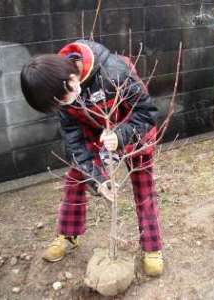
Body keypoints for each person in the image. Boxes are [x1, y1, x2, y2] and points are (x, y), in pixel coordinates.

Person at [20, 39, 163, 276]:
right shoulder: (62, 96)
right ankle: (68, 235)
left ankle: (152, 247)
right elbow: (75, 143)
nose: (63, 106)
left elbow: (147, 114)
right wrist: (99, 181)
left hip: (134, 131)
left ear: (70, 79)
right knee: (76, 178)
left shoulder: (114, 71)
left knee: (143, 184)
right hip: (97, 135)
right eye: (56, 105)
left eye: (62, 100)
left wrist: (120, 135)